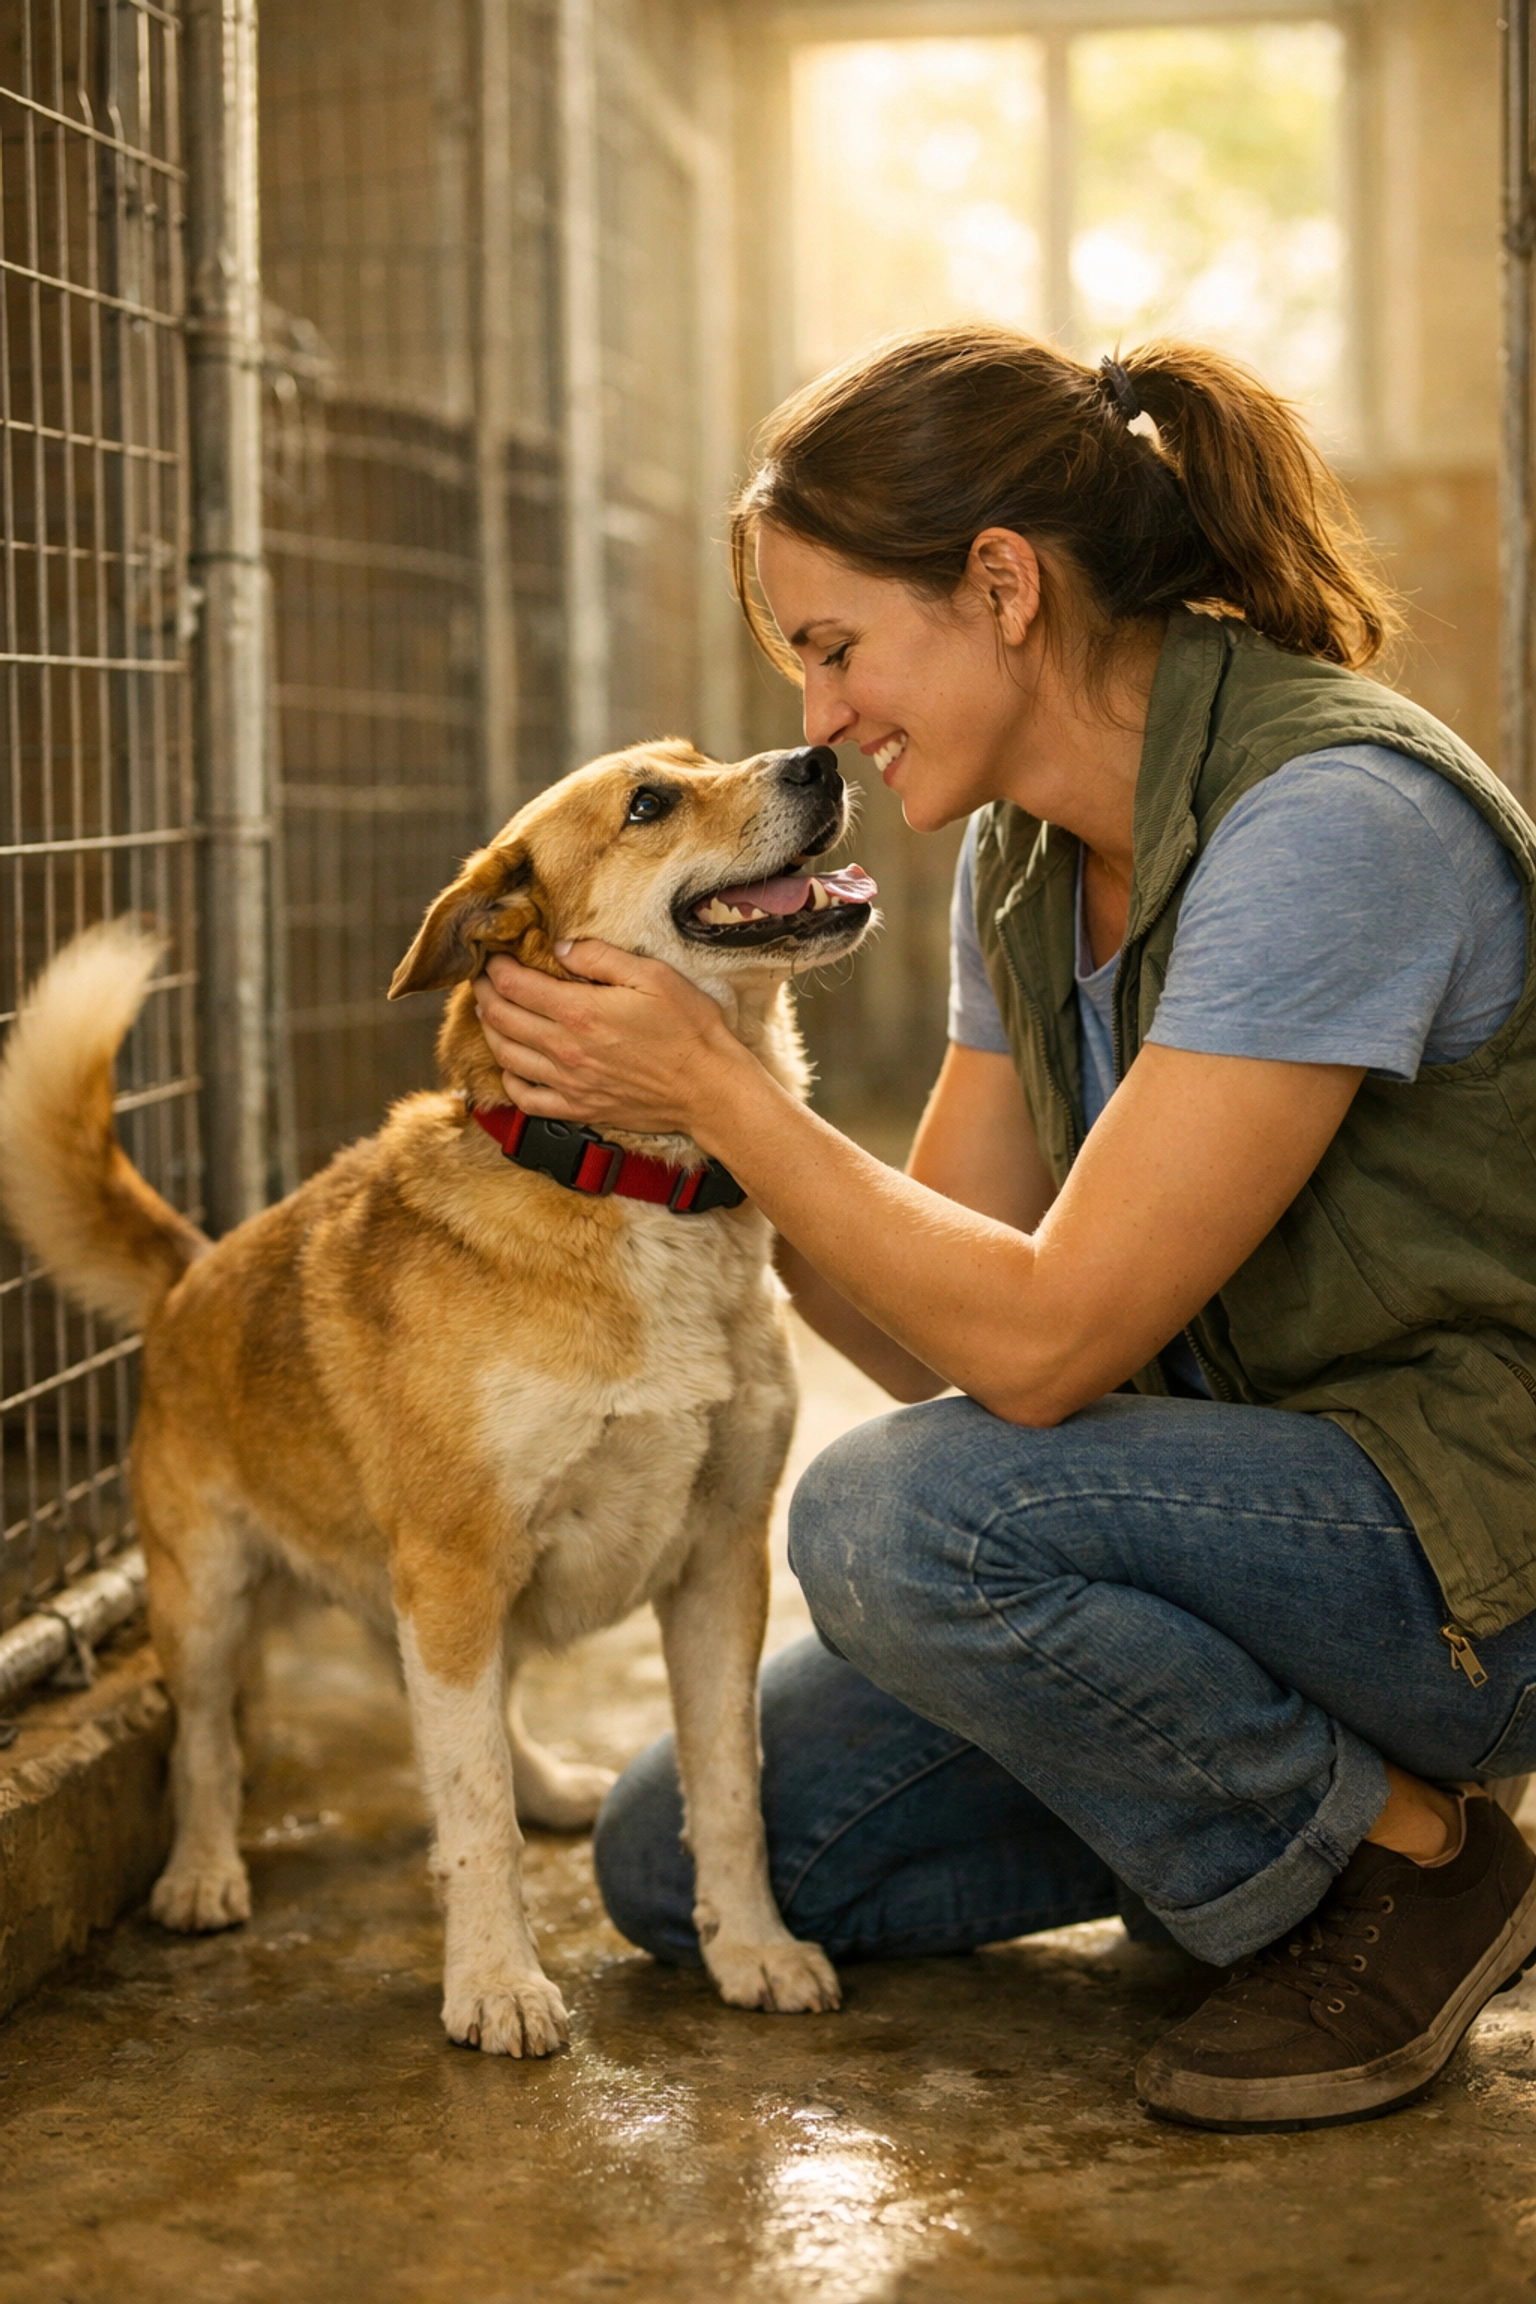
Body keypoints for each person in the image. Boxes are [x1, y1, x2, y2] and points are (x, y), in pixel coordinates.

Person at [472, 325, 1536, 2131]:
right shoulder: (1026, 856)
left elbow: (1041, 1348)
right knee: (683, 1860)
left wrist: (728, 1099)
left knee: (894, 1517)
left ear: (1000, 586)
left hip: (1468, 1548)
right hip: (1229, 1543)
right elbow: (923, 1317)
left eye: (832, 647)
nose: (817, 719)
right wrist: (675, 1100)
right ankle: (1246, 1840)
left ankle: (1415, 1860)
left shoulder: (1329, 824)